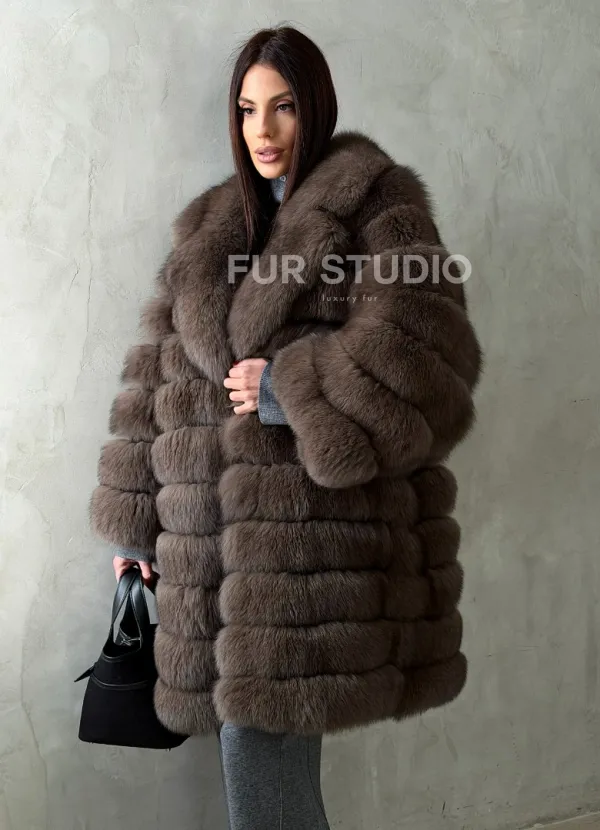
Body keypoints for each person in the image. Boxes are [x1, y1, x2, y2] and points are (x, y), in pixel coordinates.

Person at [89, 24, 482, 830]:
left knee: (263, 774)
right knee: (266, 782)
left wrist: (287, 388)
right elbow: (151, 377)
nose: (262, 130)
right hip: (208, 558)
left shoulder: (378, 208)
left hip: (310, 561)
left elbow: (431, 361)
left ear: (317, 108)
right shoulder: (208, 228)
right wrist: (134, 528)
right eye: (247, 109)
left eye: (284, 107)